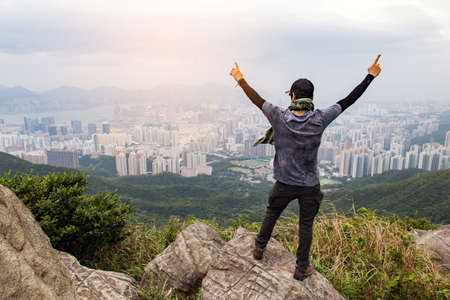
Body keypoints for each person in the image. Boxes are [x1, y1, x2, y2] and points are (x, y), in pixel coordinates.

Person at [229, 55, 381, 281]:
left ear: (292, 95)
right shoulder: (321, 118)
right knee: (306, 225)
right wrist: (370, 76)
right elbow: (349, 100)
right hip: (310, 185)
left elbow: (256, 99)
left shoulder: (279, 116)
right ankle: (301, 267)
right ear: (311, 97)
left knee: (272, 213)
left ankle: (259, 247)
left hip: (284, 182)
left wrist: (240, 79)